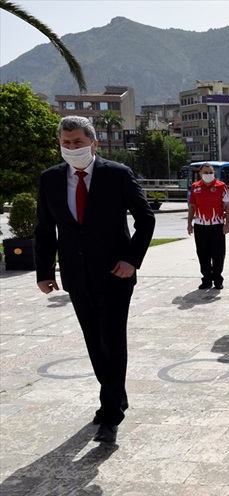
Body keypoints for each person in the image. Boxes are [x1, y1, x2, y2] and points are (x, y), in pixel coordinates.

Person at [34, 116, 155, 443]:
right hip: (76, 275)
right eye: (66, 142)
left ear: (93, 143)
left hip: (115, 274)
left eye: (77, 141)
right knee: (94, 341)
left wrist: (131, 260)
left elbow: (145, 219)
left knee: (112, 340)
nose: (72, 148)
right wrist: (44, 272)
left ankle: (109, 414)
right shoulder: (50, 180)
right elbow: (45, 231)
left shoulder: (117, 175)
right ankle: (116, 393)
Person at [187, 163, 229, 290]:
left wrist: (227, 224)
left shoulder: (221, 186)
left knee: (218, 254)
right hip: (200, 226)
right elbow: (192, 207)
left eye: (210, 172)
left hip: (217, 225)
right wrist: (189, 223)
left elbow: (228, 207)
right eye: (205, 173)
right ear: (200, 174)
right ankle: (206, 279)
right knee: (202, 254)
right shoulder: (195, 187)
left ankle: (217, 279)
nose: (208, 175)